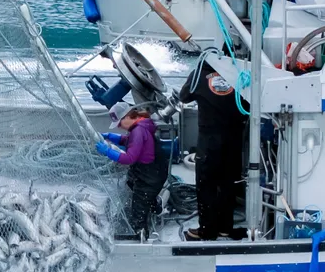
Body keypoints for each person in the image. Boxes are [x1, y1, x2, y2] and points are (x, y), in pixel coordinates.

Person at [179, 61, 248, 240]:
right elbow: (248, 104)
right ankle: (225, 227)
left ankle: (207, 230)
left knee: (206, 184)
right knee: (229, 183)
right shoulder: (239, 73)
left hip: (209, 139)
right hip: (234, 138)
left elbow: (183, 97)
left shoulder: (199, 75)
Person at [95, 104, 168, 237]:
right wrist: (111, 136)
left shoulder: (138, 131)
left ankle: (140, 235)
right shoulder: (141, 125)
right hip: (154, 172)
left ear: (128, 116)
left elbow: (129, 158)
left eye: (119, 122)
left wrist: (107, 152)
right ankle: (155, 206)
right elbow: (129, 141)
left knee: (137, 212)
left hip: (150, 178)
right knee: (132, 183)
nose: (119, 126)